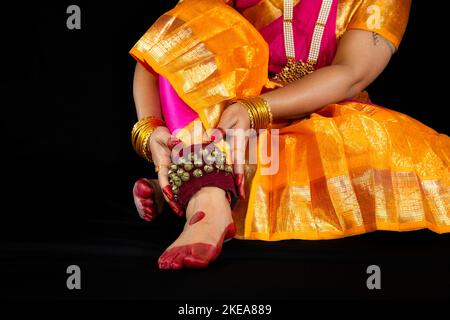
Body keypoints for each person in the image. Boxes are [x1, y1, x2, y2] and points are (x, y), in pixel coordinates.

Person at [129, 0, 449, 270]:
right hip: (228, 122)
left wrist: (257, 108)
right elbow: (169, 44)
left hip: (321, 117)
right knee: (201, 16)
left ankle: (183, 186)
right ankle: (206, 200)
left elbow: (352, 73)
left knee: (392, 157)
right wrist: (150, 129)